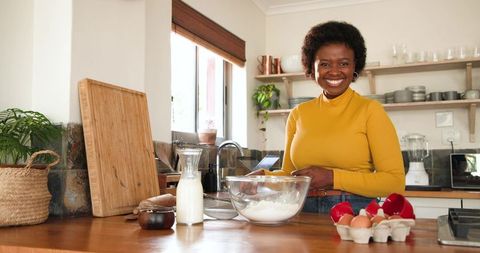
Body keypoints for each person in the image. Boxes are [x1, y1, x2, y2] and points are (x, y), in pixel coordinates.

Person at [249, 21, 405, 214]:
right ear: (311, 68)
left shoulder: (370, 111)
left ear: (355, 66)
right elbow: (291, 176)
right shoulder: (298, 114)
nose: (334, 71)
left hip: (355, 213)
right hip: (302, 211)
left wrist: (332, 177)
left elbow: (394, 182)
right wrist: (263, 178)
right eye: (324, 64)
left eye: (344, 63)